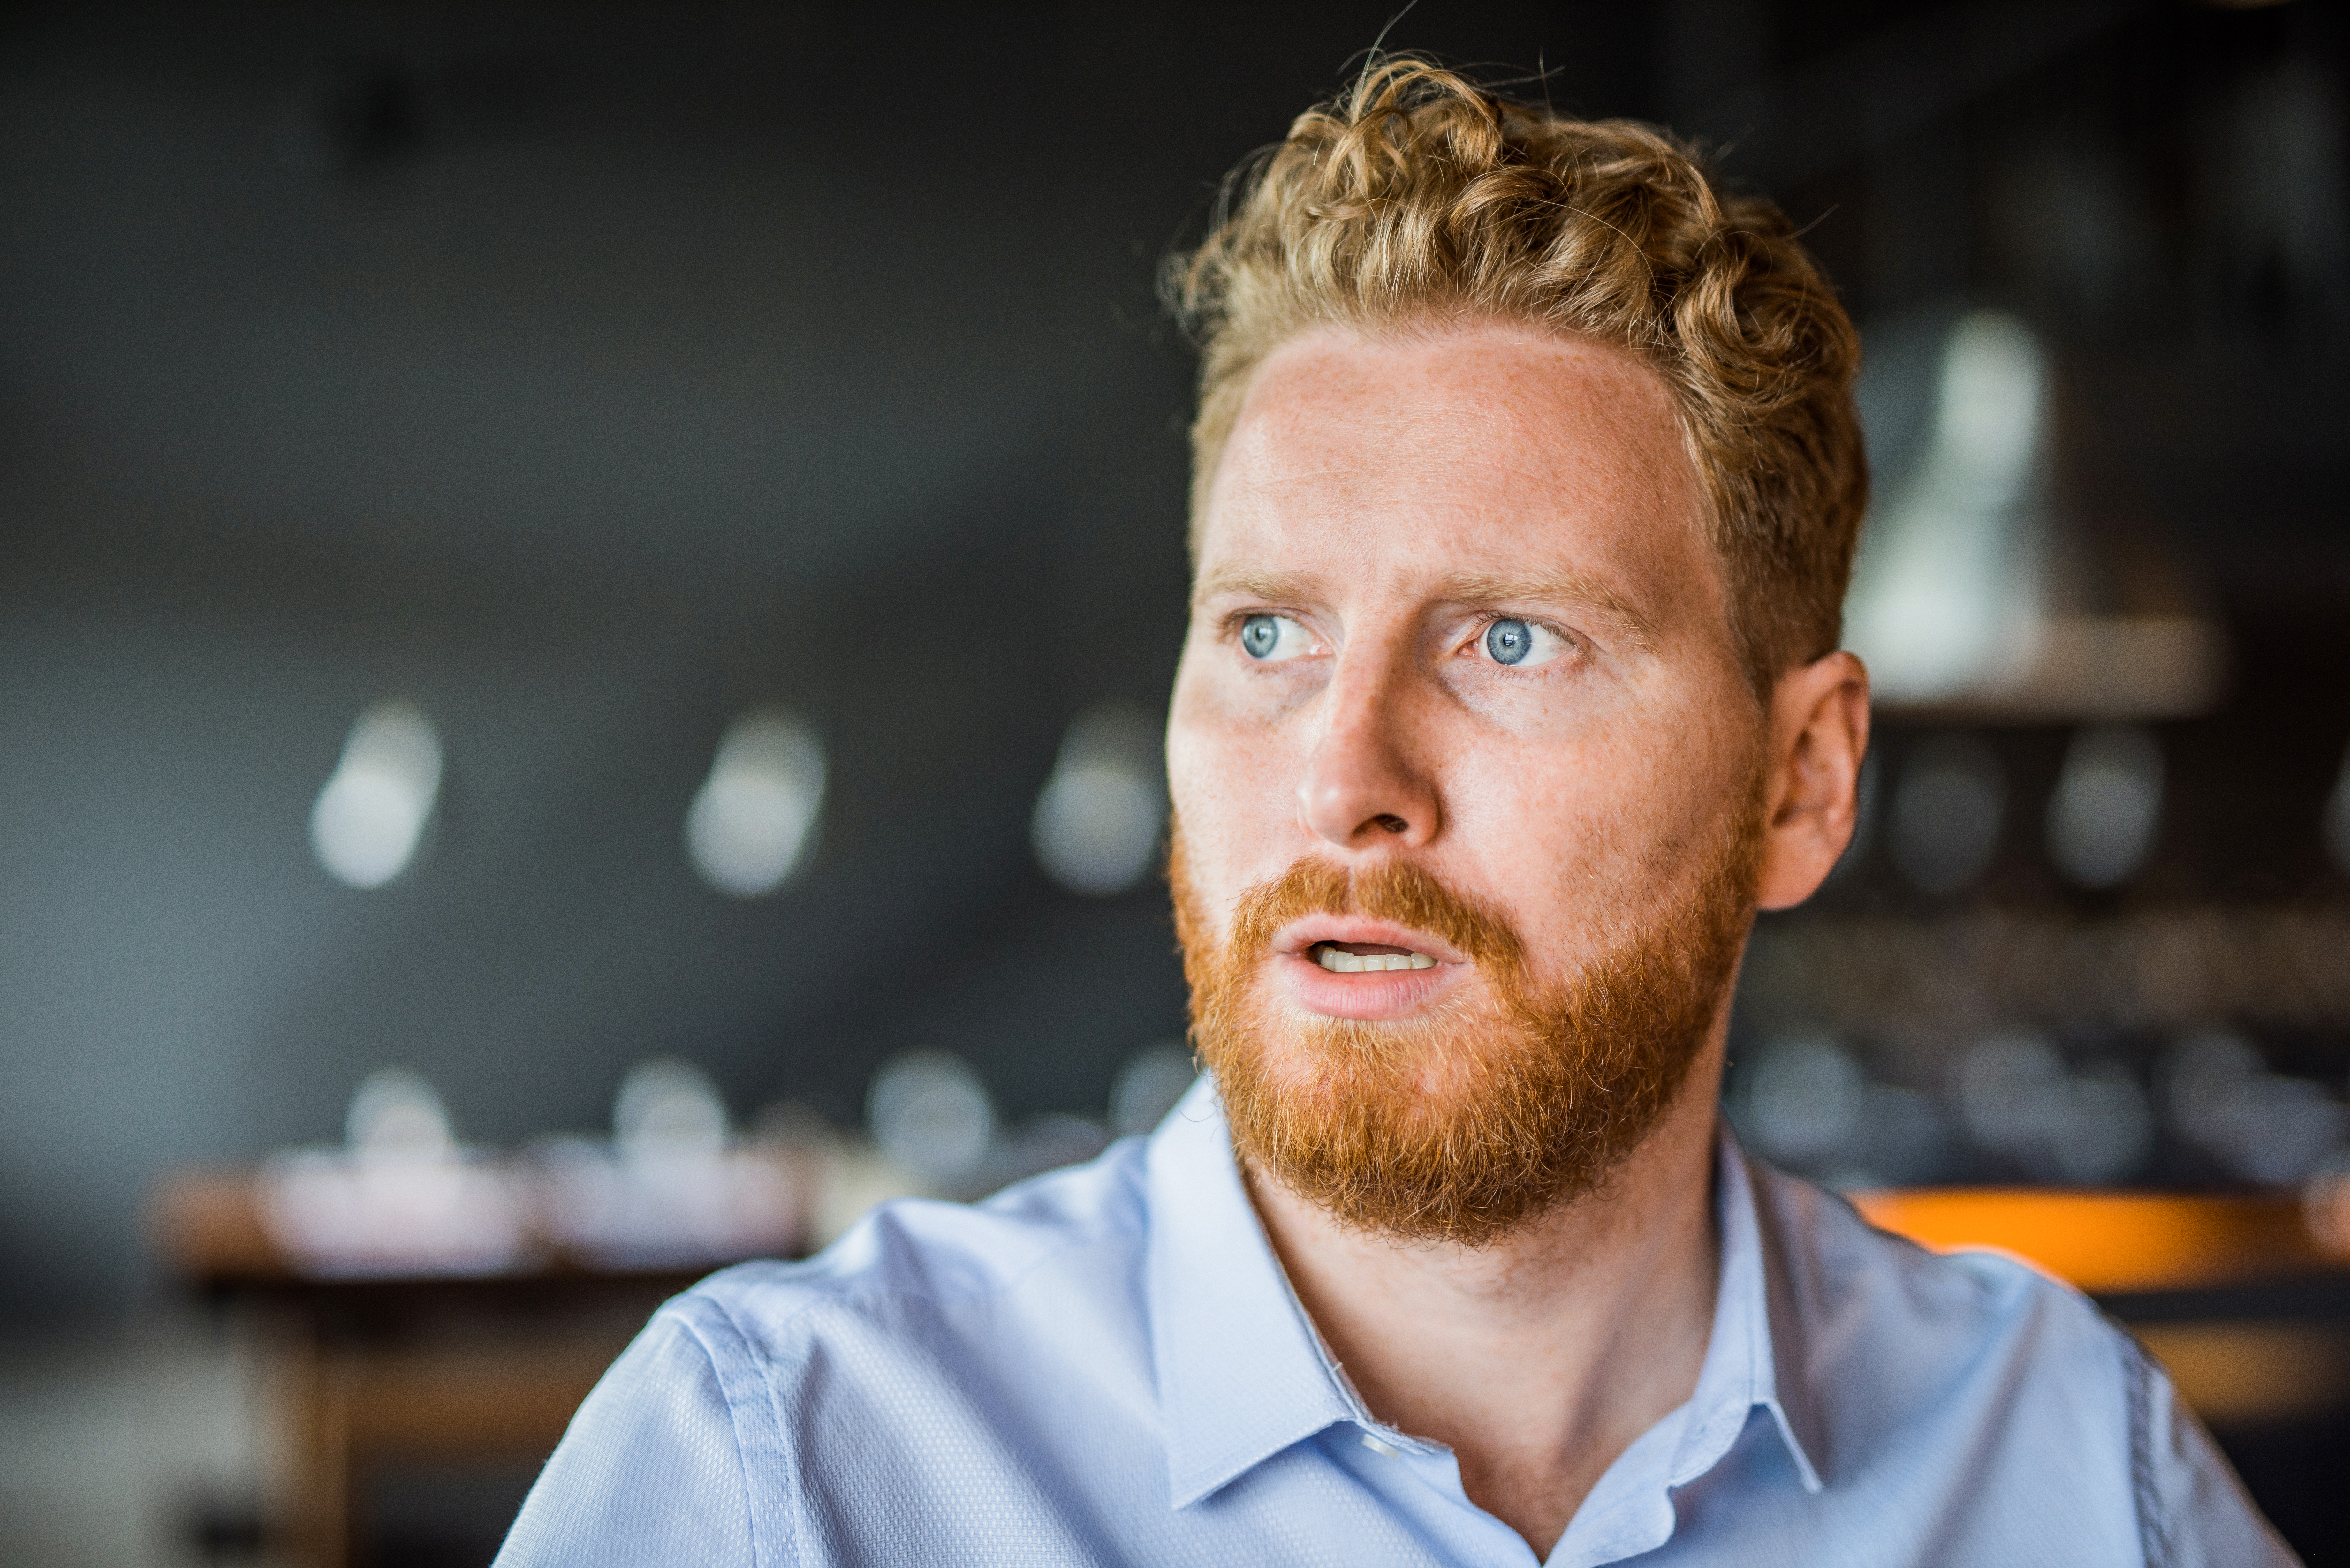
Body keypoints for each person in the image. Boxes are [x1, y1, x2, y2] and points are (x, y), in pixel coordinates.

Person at [494, 60, 2291, 1567]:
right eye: (1269, 633)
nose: (1343, 777)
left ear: (1802, 783)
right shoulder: (783, 1476)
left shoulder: (2071, 1471)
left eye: (1511, 640)